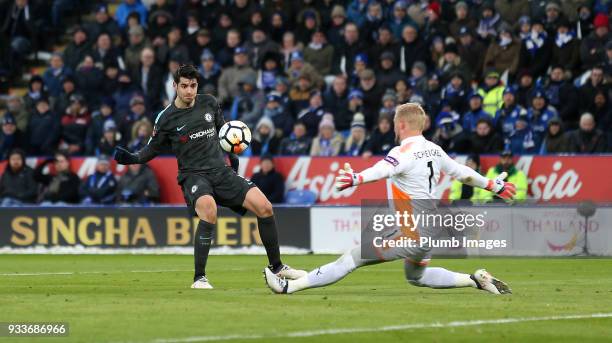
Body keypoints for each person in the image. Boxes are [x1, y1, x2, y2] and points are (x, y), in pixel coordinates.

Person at [264, 103, 515, 295]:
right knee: (416, 277)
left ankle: (288, 287)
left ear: (402, 125)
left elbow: (383, 169)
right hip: (429, 228)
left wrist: (356, 178)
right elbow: (462, 173)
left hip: (412, 231)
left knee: (349, 259)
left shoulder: (402, 151)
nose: (394, 128)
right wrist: (493, 184)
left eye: (395, 124)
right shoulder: (434, 149)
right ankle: (475, 280)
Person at [113, 65, 305, 289]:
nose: (189, 91)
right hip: (193, 175)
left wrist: (232, 156)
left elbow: (224, 132)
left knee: (265, 207)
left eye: (193, 86)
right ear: (175, 86)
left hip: (220, 171)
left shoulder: (210, 103)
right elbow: (152, 149)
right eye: (184, 86)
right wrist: (133, 158)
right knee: (209, 209)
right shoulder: (165, 118)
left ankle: (277, 267)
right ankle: (199, 278)